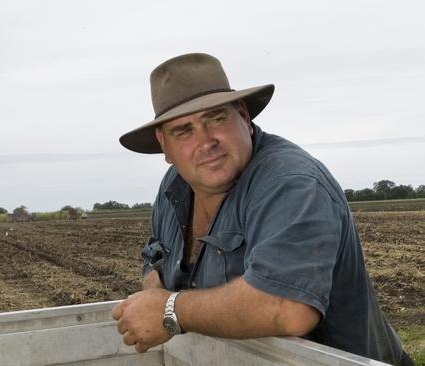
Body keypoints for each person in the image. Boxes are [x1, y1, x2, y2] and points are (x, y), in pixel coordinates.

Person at [111, 53, 413, 366]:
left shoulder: (290, 182)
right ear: (164, 145)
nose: (205, 142)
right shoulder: (175, 185)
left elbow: (287, 308)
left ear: (243, 115)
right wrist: (153, 293)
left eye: (216, 118)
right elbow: (156, 259)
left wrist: (170, 310)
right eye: (183, 131)